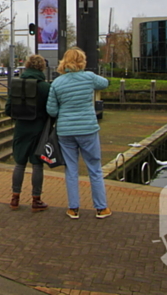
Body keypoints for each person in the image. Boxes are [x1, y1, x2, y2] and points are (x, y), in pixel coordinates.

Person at [46, 48, 111, 220]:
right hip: (87, 128)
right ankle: (101, 208)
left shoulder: (57, 83)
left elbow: (51, 110)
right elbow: (105, 83)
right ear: (82, 61)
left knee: (71, 169)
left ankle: (73, 208)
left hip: (65, 131)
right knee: (94, 168)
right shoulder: (89, 77)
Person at [4, 54, 50, 212]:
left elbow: (8, 109)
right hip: (39, 128)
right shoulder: (45, 87)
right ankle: (36, 200)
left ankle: (15, 198)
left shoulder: (16, 84)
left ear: (27, 66)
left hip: (21, 128)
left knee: (19, 163)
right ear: (42, 67)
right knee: (37, 164)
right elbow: (51, 110)